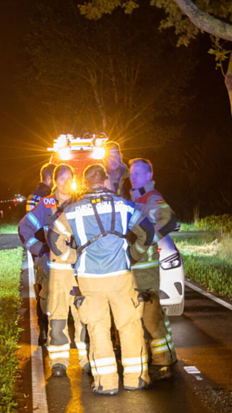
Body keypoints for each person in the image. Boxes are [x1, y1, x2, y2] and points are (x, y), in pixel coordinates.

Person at [49, 164, 156, 394]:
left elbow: (54, 237)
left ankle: (105, 384)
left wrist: (73, 256)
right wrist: (134, 254)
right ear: (106, 181)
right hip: (120, 277)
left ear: (84, 184)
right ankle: (136, 379)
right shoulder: (124, 205)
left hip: (89, 279)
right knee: (129, 326)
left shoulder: (73, 211)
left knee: (98, 329)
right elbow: (147, 230)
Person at [19, 164, 89, 375]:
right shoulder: (46, 204)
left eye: (69, 178)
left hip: (79, 269)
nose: (65, 183)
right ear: (55, 181)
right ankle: (59, 361)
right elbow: (24, 227)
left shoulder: (82, 203)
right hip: (54, 270)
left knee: (84, 314)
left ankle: (87, 359)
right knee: (56, 315)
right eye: (61, 178)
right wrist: (39, 249)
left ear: (74, 180)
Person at [129, 158, 179, 380]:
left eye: (138, 174)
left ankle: (162, 363)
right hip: (140, 267)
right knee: (154, 315)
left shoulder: (151, 198)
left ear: (149, 176)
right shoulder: (137, 198)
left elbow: (168, 219)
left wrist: (147, 241)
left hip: (146, 267)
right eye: (131, 174)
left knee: (150, 317)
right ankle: (167, 356)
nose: (133, 178)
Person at [20, 162, 57, 345]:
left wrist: (37, 248)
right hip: (46, 252)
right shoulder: (46, 198)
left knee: (42, 290)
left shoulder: (32, 196)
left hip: (39, 252)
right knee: (46, 291)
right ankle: (46, 328)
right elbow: (35, 225)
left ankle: (44, 329)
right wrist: (44, 247)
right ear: (50, 178)